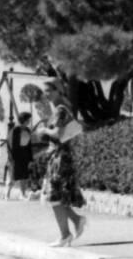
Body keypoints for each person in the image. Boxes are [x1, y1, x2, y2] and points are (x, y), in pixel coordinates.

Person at [42, 104, 87, 246]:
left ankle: (65, 234)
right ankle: (75, 221)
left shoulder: (60, 110)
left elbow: (59, 135)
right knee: (58, 198)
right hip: (60, 160)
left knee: (55, 197)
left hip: (60, 161)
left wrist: (44, 130)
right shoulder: (62, 111)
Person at [5, 112, 34, 200]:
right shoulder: (15, 130)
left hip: (24, 155)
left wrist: (30, 158)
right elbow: (11, 145)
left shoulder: (28, 130)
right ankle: (7, 194)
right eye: (28, 119)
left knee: (24, 177)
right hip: (15, 156)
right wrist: (12, 159)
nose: (30, 121)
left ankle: (22, 194)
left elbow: (29, 145)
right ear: (24, 120)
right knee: (13, 176)